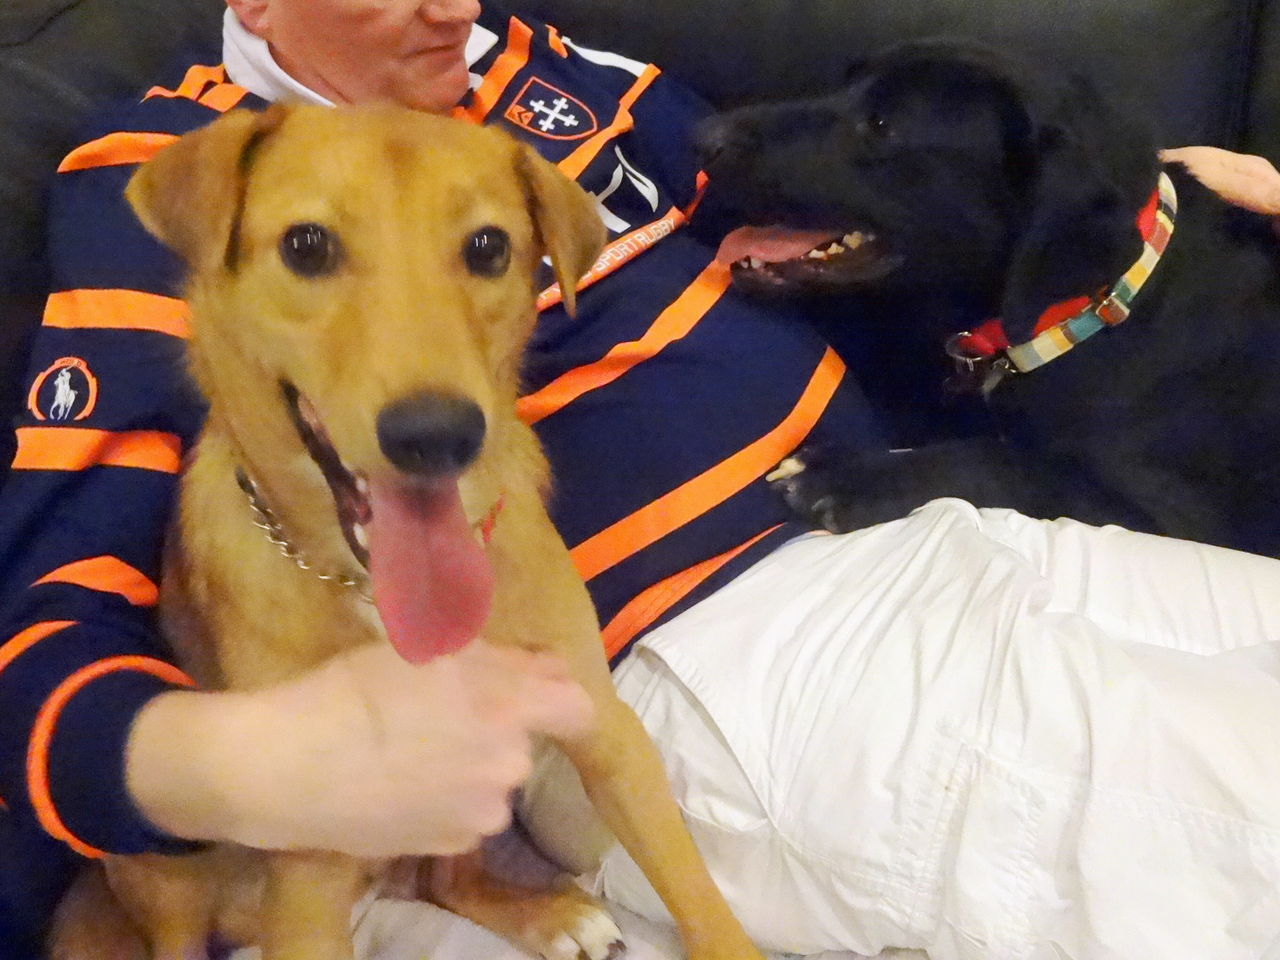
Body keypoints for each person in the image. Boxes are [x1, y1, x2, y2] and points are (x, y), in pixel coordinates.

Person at [2, 1, 1280, 958]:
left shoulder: (550, 67)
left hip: (928, 508)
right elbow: (52, 616)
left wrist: (1139, 201)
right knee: (1232, 818)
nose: (447, 5)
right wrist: (231, 763)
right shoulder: (167, 173)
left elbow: (836, 189)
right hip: (714, 633)